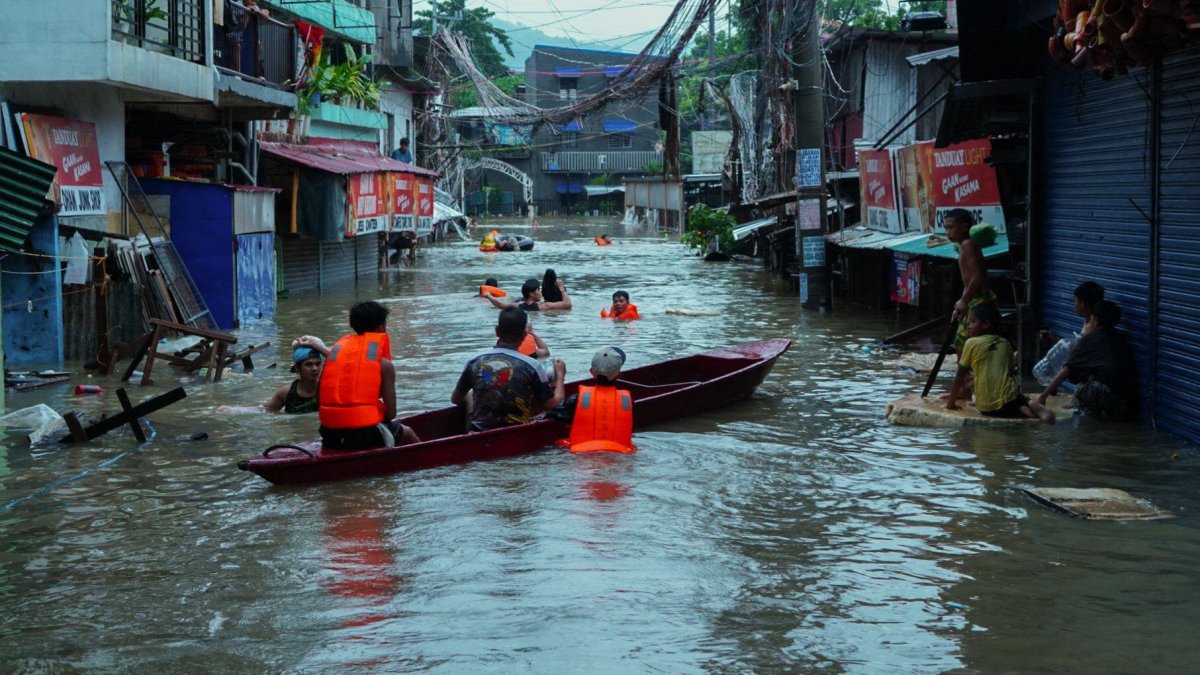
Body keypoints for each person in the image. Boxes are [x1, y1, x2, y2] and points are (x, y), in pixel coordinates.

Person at [318, 301, 420, 449]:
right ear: (381, 328)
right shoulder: (384, 365)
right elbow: (391, 413)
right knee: (408, 433)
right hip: (364, 433)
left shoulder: (334, 355)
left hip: (328, 431)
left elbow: (319, 395)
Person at [451, 308, 566, 431]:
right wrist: (560, 375)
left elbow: (455, 399)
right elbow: (555, 405)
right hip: (517, 433)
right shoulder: (532, 366)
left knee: (469, 395)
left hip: (478, 432)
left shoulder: (474, 362)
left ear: (497, 331)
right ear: (524, 335)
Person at [947, 304, 1055, 424]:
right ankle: (1031, 407)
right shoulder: (1005, 343)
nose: (969, 326)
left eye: (973, 322)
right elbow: (1007, 371)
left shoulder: (971, 343)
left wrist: (950, 403)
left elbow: (959, 376)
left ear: (985, 324)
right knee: (1017, 397)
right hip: (1009, 401)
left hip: (986, 409)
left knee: (1011, 402)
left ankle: (1024, 409)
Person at [1036, 299, 1134, 421]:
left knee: (1084, 381)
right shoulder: (1122, 340)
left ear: (1096, 321)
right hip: (1123, 398)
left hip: (1101, 393)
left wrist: (1043, 396)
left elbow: (1067, 371)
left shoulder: (1090, 339)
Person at [552, 346, 636, 453]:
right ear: (619, 375)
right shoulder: (628, 403)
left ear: (592, 372)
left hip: (581, 454)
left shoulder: (576, 400)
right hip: (618, 453)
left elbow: (555, 414)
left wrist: (560, 376)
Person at [1034, 281, 1106, 387]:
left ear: (1083, 304)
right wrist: (1053, 338)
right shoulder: (1088, 321)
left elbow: (1083, 353)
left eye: (1076, 301)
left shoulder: (1093, 326)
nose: (1074, 305)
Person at [944, 208, 996, 354]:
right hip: (972, 299)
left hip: (980, 299)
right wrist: (961, 303)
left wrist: (964, 301)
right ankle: (966, 375)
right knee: (962, 342)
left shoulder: (968, 245)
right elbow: (968, 281)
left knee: (966, 342)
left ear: (965, 227)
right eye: (946, 228)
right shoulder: (962, 246)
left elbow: (976, 277)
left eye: (951, 227)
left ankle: (966, 375)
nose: (947, 232)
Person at [485, 277, 572, 312]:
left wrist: (489, 296)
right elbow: (567, 304)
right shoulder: (544, 306)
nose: (540, 292)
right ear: (531, 293)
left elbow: (500, 305)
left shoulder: (518, 305)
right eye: (538, 290)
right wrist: (561, 288)